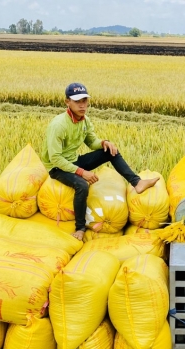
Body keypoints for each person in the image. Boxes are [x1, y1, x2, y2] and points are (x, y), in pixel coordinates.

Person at [41, 82, 159, 241]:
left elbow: (91, 141)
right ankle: (80, 228)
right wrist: (82, 173)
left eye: (84, 101)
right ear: (67, 102)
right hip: (57, 167)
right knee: (81, 185)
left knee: (110, 150)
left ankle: (137, 182)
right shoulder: (59, 125)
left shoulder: (84, 120)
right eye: (77, 101)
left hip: (73, 161)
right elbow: (55, 158)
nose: (82, 105)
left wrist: (104, 143)